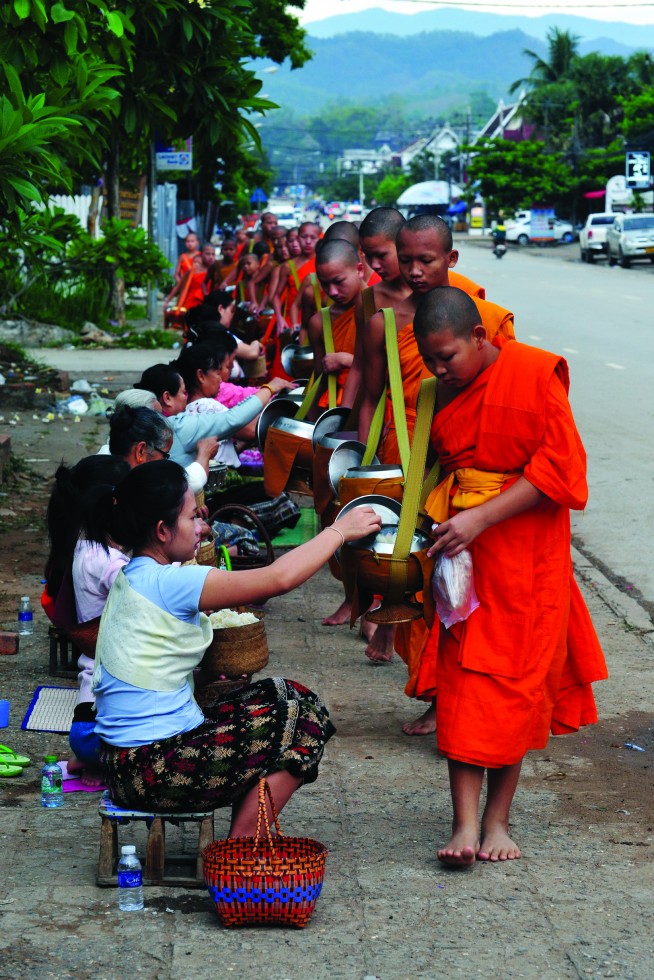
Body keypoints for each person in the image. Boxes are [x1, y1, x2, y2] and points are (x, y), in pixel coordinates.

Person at [412, 286, 607, 865]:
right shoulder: (436, 393)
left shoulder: (534, 373)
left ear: (480, 337)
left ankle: (498, 822)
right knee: (467, 685)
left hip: (526, 554)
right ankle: (465, 826)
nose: (441, 369)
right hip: (463, 562)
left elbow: (560, 470)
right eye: (430, 360)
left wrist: (481, 517)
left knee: (516, 686)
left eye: (449, 356)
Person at [93, 461, 382, 829]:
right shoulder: (168, 582)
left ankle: (243, 833)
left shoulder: (136, 574)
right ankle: (240, 848)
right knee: (304, 722)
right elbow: (278, 578)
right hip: (152, 771)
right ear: (163, 530)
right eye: (190, 519)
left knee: (290, 694)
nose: (202, 527)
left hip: (131, 763)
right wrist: (340, 531)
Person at [44, 455, 131, 784]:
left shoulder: (82, 548)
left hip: (84, 726)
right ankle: (99, 763)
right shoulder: (107, 562)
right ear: (114, 503)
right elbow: (151, 592)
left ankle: (88, 761)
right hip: (102, 733)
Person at [135, 362, 293, 469]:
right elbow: (233, 419)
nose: (186, 396)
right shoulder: (176, 426)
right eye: (183, 392)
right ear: (167, 398)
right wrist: (270, 388)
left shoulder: (137, 423)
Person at [307, 238, 364, 412]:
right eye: (325, 283)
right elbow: (320, 378)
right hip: (334, 409)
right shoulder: (319, 322)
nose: (332, 292)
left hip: (376, 409)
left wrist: (346, 360)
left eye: (339, 281)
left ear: (359, 270)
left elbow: (398, 370)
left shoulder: (381, 309)